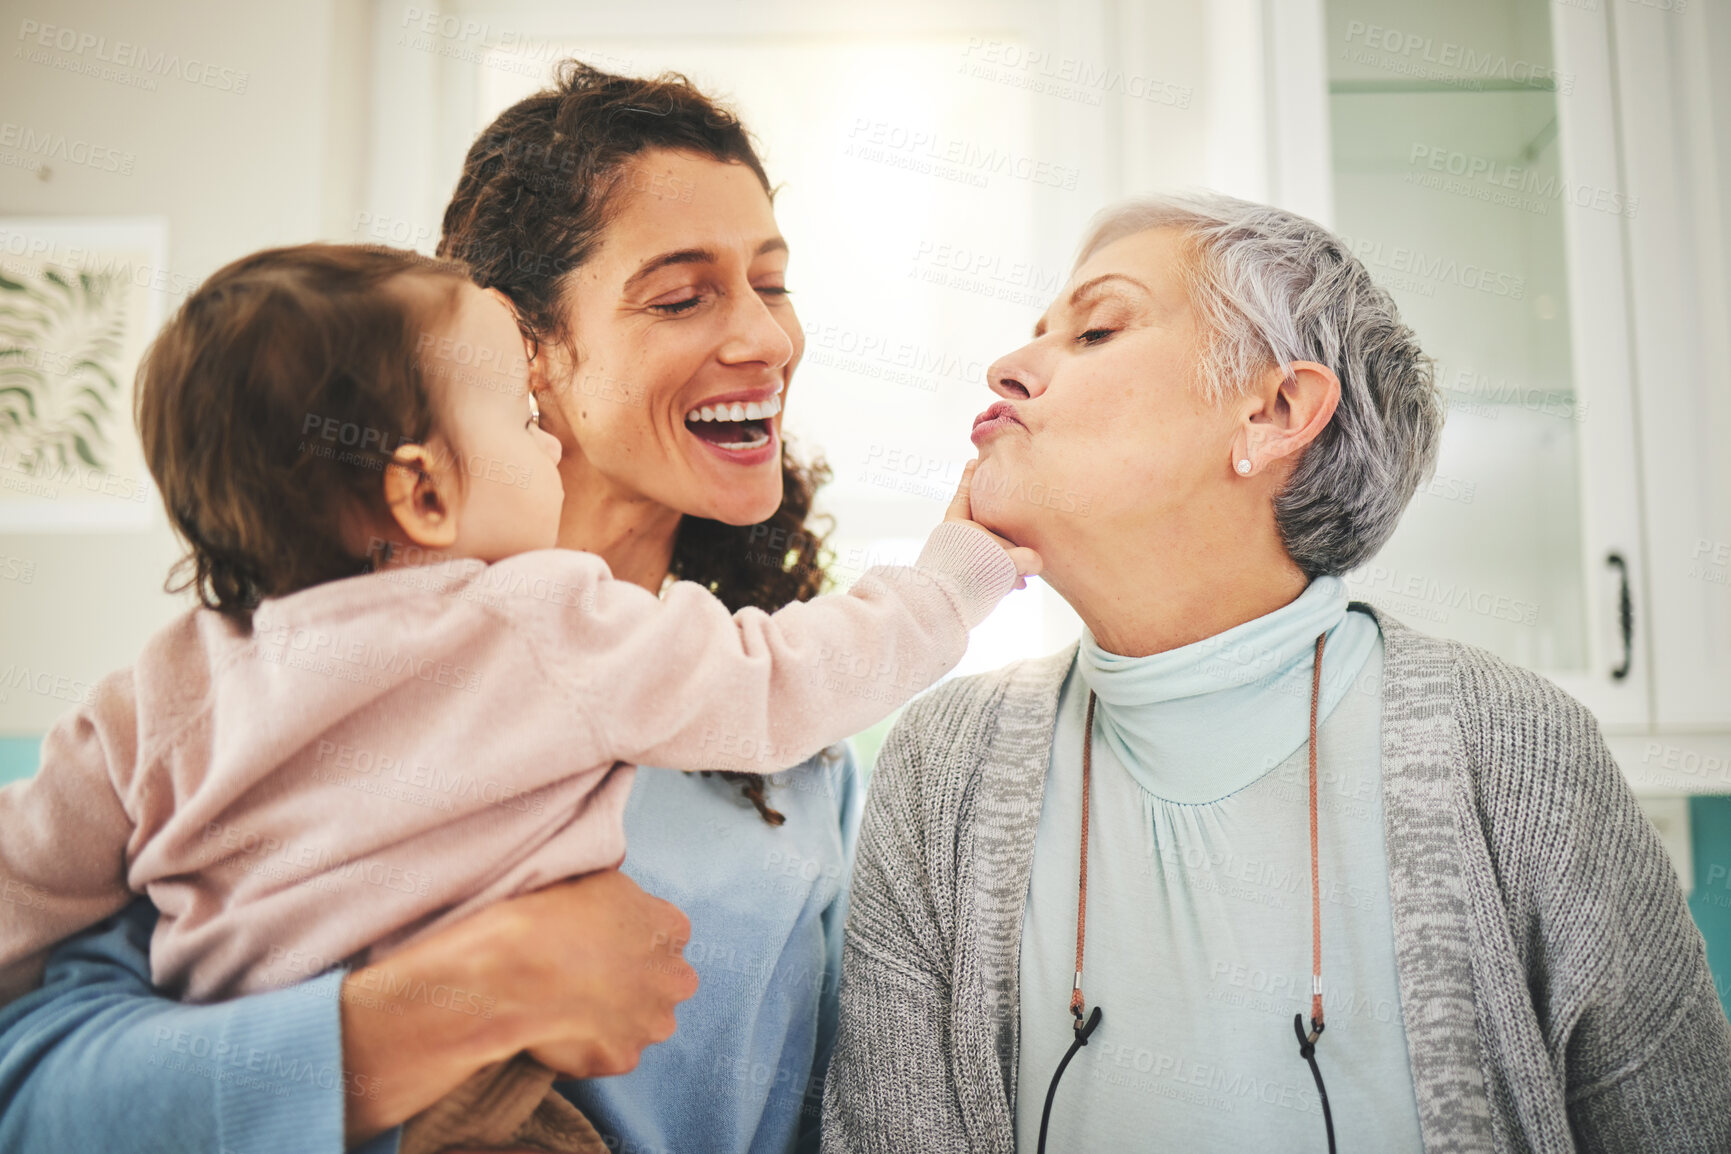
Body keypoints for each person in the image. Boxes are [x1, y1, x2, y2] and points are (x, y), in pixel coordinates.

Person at [0, 63, 971, 1154]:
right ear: (528, 347)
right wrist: (448, 1003)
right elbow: (33, 1086)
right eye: (683, 293)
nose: (768, 339)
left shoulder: (799, 762)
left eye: (773, 282)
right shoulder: (257, 695)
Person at [822, 192, 1731, 1153]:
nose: (1007, 365)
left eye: (1094, 330)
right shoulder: (941, 765)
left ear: (1276, 409)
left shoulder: (1512, 748)